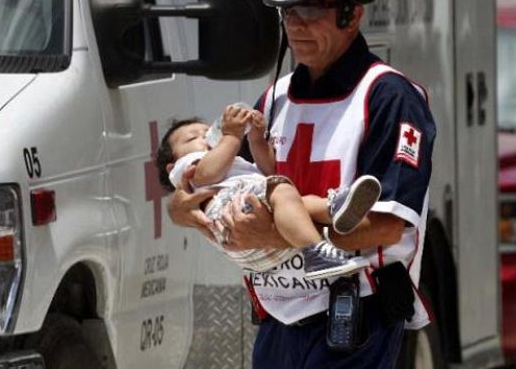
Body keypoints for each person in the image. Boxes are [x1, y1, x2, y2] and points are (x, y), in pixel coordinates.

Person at [167, 0, 436, 369]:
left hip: (355, 314)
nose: (294, 23)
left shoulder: (389, 97)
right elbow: (219, 181)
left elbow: (388, 226)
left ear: (352, 14)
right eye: (286, 10)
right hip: (279, 316)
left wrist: (276, 237)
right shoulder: (275, 98)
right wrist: (181, 205)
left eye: (310, 8)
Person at [155, 105, 382, 279]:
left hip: (260, 245)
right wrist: (232, 135)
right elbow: (207, 173)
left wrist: (256, 138)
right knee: (281, 190)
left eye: (206, 133)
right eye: (193, 138)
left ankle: (333, 210)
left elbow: (268, 169)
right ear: (171, 166)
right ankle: (317, 250)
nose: (205, 138)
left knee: (294, 201)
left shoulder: (232, 160)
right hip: (232, 218)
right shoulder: (188, 167)